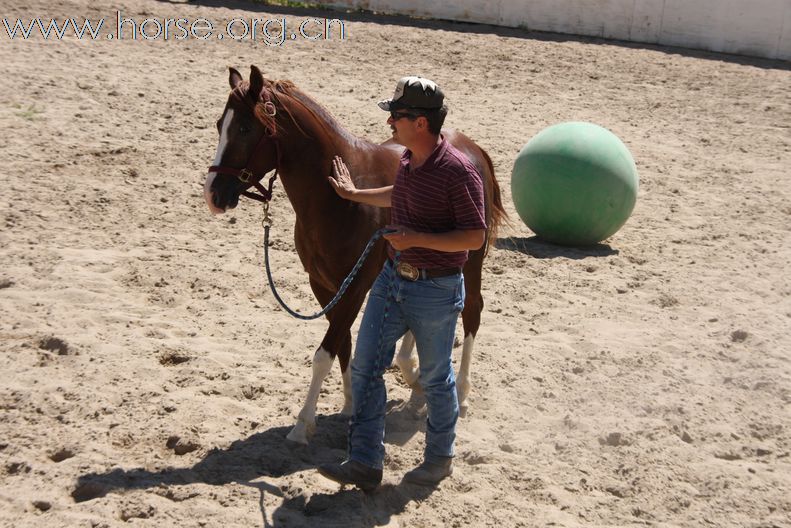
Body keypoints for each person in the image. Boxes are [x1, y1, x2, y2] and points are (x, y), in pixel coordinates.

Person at [317, 76, 487, 491]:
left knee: (434, 378)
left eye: (397, 115)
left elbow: (475, 235)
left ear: (421, 123)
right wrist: (355, 194)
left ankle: (440, 457)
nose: (390, 122)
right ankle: (365, 462)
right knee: (365, 367)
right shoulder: (411, 160)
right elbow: (401, 193)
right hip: (392, 280)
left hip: (435, 290)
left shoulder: (458, 172)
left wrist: (417, 240)